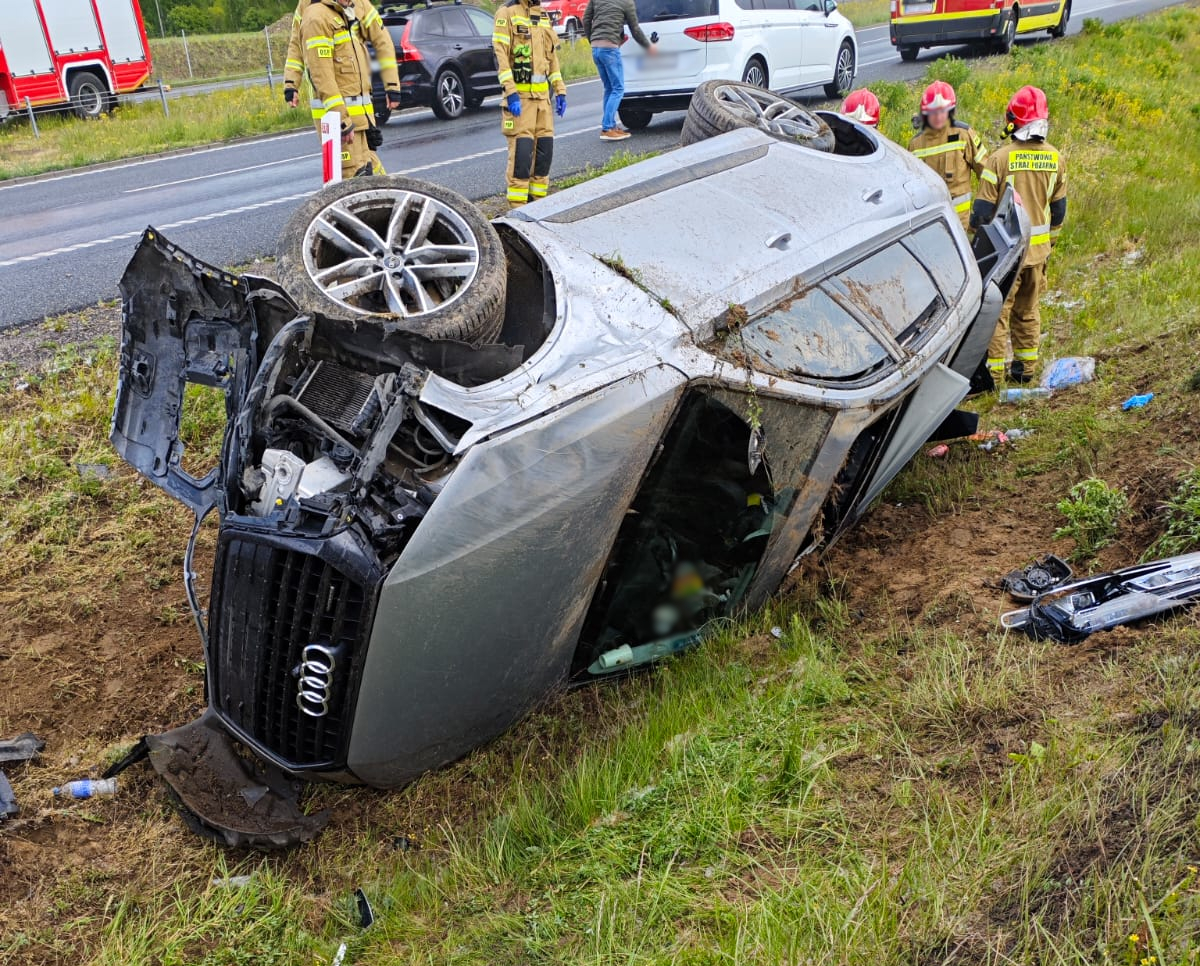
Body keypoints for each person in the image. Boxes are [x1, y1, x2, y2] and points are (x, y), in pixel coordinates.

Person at [972, 85, 1067, 385]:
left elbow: (981, 213)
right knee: (1028, 310)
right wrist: (1049, 243)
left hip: (1007, 256)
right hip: (1038, 255)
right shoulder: (1056, 159)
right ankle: (1025, 371)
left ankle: (994, 376)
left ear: (1014, 121)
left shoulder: (999, 159)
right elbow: (1059, 211)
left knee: (998, 315)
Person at [300, 0, 401, 179]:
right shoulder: (316, 17)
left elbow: (353, 73)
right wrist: (342, 121)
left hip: (358, 120)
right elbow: (322, 76)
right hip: (341, 121)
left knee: (373, 174)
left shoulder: (341, 12)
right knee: (353, 179)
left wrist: (368, 122)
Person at [493, 0, 567, 207]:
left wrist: (560, 90)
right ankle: (517, 210)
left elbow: (552, 59)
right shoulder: (507, 13)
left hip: (543, 101)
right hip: (520, 102)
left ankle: (538, 205)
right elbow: (500, 56)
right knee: (521, 157)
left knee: (544, 154)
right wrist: (511, 92)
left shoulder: (542, 15)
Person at [908, 81, 987, 231]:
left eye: (942, 111)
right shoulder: (916, 144)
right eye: (933, 112)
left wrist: (983, 208)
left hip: (961, 224)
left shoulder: (963, 134)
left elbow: (986, 173)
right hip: (930, 225)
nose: (938, 116)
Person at [583, 0, 655, 141]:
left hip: (596, 48)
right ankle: (608, 127)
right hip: (609, 49)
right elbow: (635, 29)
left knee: (609, 88)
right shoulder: (627, 2)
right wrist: (649, 47)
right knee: (618, 89)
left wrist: (592, 40)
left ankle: (610, 125)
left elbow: (586, 19)